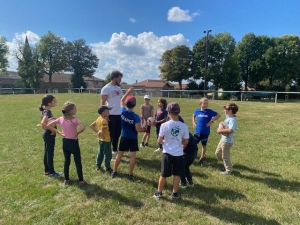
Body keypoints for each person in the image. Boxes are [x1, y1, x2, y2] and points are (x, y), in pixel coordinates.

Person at [153, 102, 189, 200]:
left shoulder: (164, 125)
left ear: (168, 112)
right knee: (177, 175)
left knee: (163, 174)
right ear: (179, 112)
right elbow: (186, 141)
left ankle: (159, 193)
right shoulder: (184, 126)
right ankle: (175, 193)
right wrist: (180, 141)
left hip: (167, 153)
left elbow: (159, 140)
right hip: (178, 154)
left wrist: (165, 141)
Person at [47, 101, 87, 186]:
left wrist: (58, 132)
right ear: (71, 111)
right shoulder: (75, 120)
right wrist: (76, 133)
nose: (76, 110)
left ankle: (66, 179)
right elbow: (83, 127)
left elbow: (48, 125)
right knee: (78, 161)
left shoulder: (60, 119)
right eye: (75, 108)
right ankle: (81, 181)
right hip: (73, 142)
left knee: (67, 161)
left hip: (65, 142)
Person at [111, 87, 146, 179]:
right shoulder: (136, 117)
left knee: (120, 154)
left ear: (127, 104)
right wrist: (144, 129)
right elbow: (138, 129)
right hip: (133, 138)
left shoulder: (122, 111)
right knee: (133, 156)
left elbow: (122, 100)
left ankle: (114, 171)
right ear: (134, 105)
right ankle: (130, 174)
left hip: (124, 137)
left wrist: (128, 92)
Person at [39, 95, 63, 177]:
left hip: (46, 133)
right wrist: (53, 130)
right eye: (54, 101)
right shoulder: (47, 112)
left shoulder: (44, 110)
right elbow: (43, 123)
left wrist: (53, 119)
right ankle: (52, 172)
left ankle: (47, 171)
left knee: (47, 152)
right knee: (50, 153)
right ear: (49, 103)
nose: (55, 102)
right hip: (49, 134)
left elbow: (44, 123)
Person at [192, 97, 221, 165]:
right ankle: (192, 156)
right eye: (204, 103)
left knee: (203, 145)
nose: (205, 105)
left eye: (206, 103)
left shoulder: (209, 111)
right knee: (193, 144)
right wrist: (193, 121)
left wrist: (211, 121)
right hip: (197, 131)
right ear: (200, 104)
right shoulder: (197, 111)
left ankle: (201, 158)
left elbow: (218, 115)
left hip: (205, 132)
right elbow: (193, 115)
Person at [100, 70, 123, 155]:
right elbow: (102, 102)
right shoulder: (107, 88)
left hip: (119, 114)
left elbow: (121, 100)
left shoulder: (118, 88)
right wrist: (104, 115)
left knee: (117, 133)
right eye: (119, 78)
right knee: (110, 134)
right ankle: (107, 151)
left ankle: (114, 149)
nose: (120, 80)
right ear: (115, 77)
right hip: (110, 115)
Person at [215, 103, 238, 175]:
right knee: (217, 153)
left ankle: (229, 171)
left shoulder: (232, 120)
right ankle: (227, 164)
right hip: (223, 139)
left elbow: (230, 130)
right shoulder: (228, 116)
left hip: (227, 141)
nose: (224, 110)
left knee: (225, 156)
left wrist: (220, 130)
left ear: (230, 111)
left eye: (226, 109)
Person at [90, 105, 113, 173]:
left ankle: (98, 166)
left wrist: (97, 132)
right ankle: (108, 168)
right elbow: (103, 129)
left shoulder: (99, 118)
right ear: (103, 113)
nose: (109, 112)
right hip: (106, 140)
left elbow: (92, 125)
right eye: (107, 111)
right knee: (108, 154)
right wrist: (102, 134)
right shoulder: (104, 121)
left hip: (100, 140)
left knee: (100, 153)